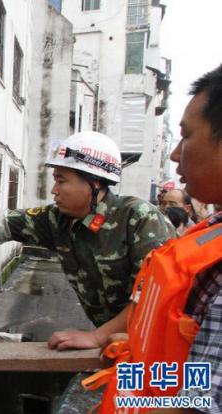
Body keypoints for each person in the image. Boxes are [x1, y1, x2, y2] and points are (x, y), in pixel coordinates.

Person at [0, 131, 175, 350]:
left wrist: (97, 337)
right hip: (121, 344)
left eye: (62, 180)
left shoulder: (138, 218)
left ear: (94, 184)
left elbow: (154, 298)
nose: (54, 190)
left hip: (164, 347)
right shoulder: (57, 220)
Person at [85, 63, 222, 413]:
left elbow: (197, 406)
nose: (176, 154)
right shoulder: (211, 231)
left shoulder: (137, 216)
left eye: (187, 136)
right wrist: (140, 346)